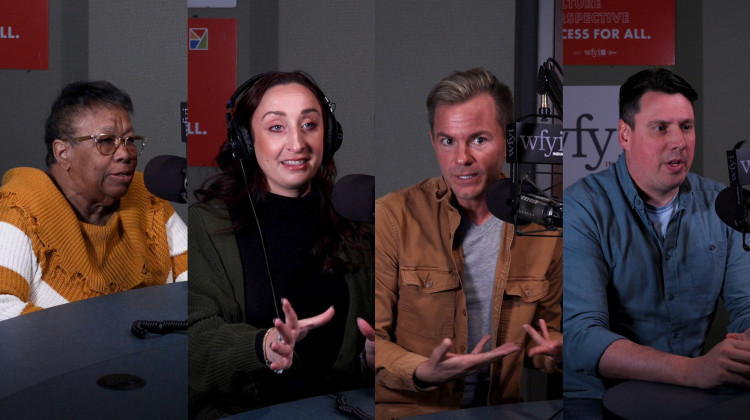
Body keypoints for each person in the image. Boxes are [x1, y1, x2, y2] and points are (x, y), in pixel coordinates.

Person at [374, 68, 563, 419]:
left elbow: (543, 341)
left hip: (500, 411)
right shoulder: (392, 216)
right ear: (433, 141)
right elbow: (372, 343)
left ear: (508, 141)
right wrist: (421, 370)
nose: (461, 159)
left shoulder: (543, 226)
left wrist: (560, 353)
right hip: (413, 409)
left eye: (478, 139)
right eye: (447, 141)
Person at [563, 68, 750, 418]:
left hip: (692, 398)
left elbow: (747, 308)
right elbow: (581, 336)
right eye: (661, 128)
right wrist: (693, 371)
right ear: (625, 134)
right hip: (596, 400)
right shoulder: (581, 207)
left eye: (686, 126)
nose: (679, 141)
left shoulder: (724, 205)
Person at [187, 71, 375, 418]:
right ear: (245, 140)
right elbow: (194, 344)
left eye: (309, 125)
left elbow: (365, 348)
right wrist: (263, 346)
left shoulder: (357, 220)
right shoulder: (209, 224)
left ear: (329, 136)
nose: (297, 143)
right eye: (276, 127)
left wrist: (374, 360)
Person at [0, 81, 188, 321]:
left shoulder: (146, 195)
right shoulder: (19, 208)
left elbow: (194, 286)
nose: (125, 154)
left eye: (130, 140)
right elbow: (3, 309)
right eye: (106, 141)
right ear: (62, 153)